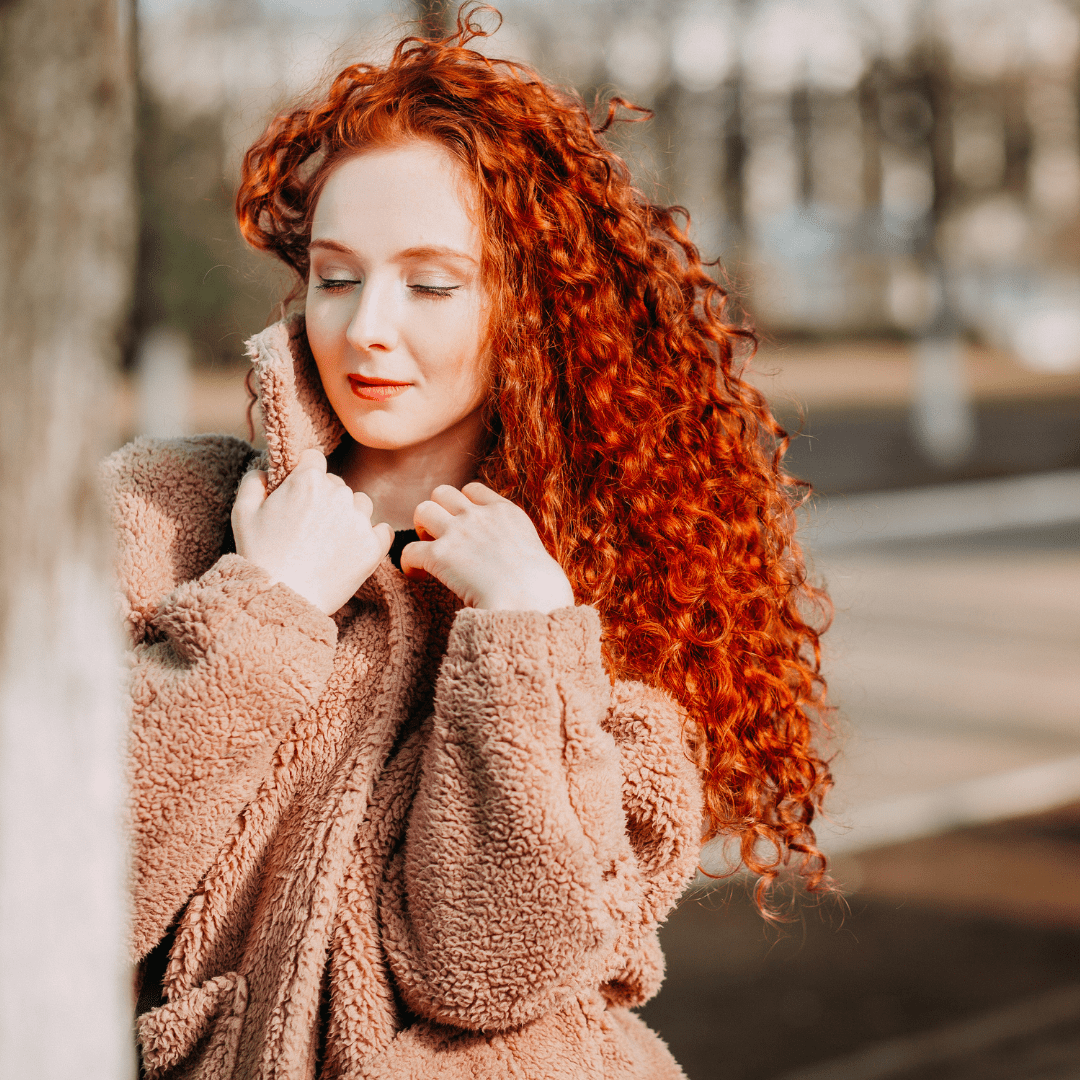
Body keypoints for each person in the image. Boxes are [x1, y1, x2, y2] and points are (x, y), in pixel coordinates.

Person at [106, 8, 831, 1078]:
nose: (367, 330)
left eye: (433, 284)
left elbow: (491, 973)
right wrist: (263, 610)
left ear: (533, 312)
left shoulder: (613, 598)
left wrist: (525, 644)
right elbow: (52, 893)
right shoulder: (162, 514)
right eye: (337, 276)